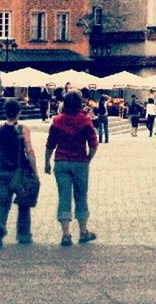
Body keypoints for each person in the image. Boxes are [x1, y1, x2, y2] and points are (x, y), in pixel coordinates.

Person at [43, 90, 99, 246]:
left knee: (64, 197)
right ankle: (83, 232)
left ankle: (66, 234)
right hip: (80, 162)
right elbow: (94, 144)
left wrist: (47, 161)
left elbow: (50, 144)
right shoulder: (86, 120)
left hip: (61, 161)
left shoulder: (57, 121)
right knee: (81, 196)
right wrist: (88, 159)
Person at [0, 98, 38, 247]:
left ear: (5, 112)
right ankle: (23, 235)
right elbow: (29, 150)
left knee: (3, 203)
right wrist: (35, 172)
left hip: (2, 171)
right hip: (21, 172)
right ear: (19, 112)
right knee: (24, 204)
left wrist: (2, 160)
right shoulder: (23, 129)